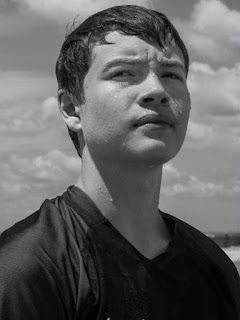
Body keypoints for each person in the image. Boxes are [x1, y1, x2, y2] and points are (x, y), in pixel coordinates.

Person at [0, 5, 239, 320]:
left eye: (171, 74)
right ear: (72, 108)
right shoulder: (27, 268)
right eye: (124, 72)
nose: (157, 90)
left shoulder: (212, 266)